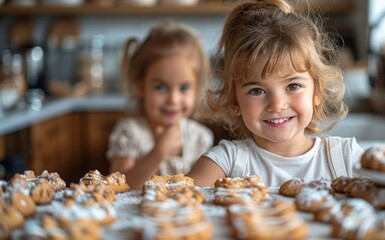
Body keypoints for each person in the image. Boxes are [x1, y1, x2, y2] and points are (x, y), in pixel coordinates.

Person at [187, 0, 364, 187]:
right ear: (235, 101)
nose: (277, 104)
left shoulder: (345, 157)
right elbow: (176, 201)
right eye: (257, 90)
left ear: (317, 92)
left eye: (293, 86)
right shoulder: (227, 162)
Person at [107, 21, 214, 189]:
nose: (173, 99)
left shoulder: (200, 138)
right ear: (140, 86)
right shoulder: (129, 133)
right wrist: (159, 152)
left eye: (184, 88)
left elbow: (203, 189)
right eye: (161, 87)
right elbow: (120, 187)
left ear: (196, 89)